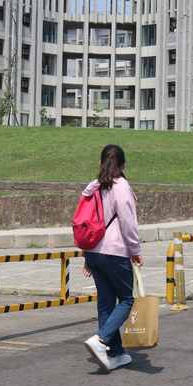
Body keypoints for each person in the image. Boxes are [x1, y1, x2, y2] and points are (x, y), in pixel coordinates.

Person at [82, 145, 142, 372]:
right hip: (115, 251)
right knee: (127, 300)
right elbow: (128, 221)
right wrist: (135, 250)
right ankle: (101, 339)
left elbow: (83, 220)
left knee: (106, 302)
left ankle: (114, 353)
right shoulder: (121, 186)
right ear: (124, 165)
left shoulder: (92, 187)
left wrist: (86, 255)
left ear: (100, 163)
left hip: (93, 250)